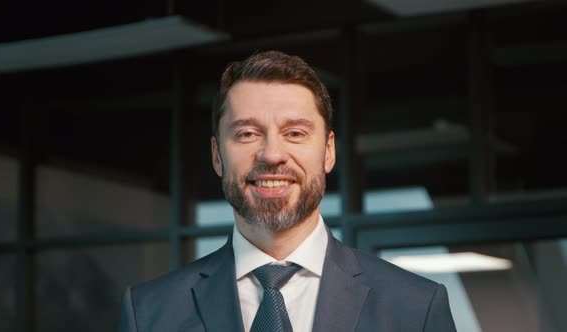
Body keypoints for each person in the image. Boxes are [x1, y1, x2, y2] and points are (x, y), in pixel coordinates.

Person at [118, 51, 457, 332]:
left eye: (294, 133)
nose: (272, 154)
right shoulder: (148, 313)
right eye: (247, 133)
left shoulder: (416, 309)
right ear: (217, 155)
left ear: (328, 151)